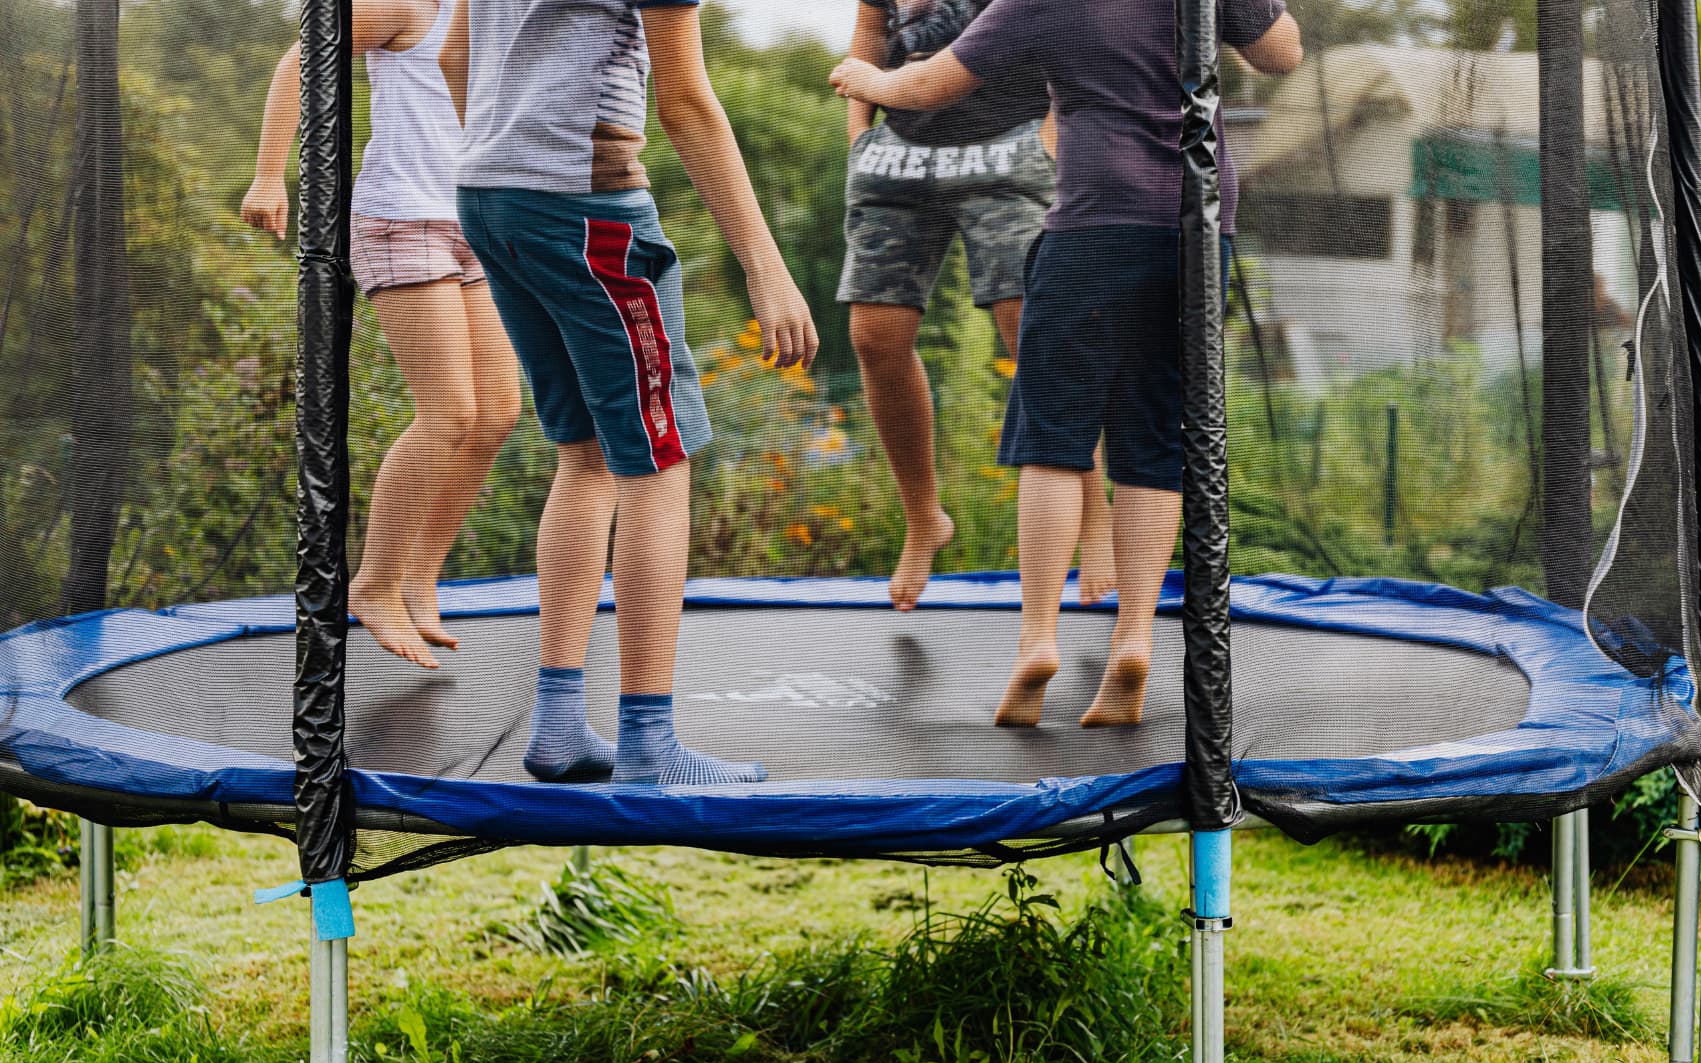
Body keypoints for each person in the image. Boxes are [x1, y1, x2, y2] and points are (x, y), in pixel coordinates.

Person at [831, 0, 1300, 728]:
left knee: (1051, 438)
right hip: (1198, 227)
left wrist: (865, 76)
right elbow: (1282, 54)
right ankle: (1134, 637)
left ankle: (1037, 638)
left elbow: (928, 86)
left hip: (1092, 224)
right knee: (1154, 441)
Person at [441, 0, 819, 784]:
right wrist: (764, 265)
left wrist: (508, 151)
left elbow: (453, 58)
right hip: (585, 209)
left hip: (488, 193)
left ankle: (556, 726)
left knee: (582, 453)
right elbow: (684, 101)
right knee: (658, 455)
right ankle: (648, 741)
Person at [242, 0, 523, 670]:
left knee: (497, 414)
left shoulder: (493, 10)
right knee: (449, 412)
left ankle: (420, 576)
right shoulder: (401, 2)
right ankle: (372, 582)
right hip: (403, 222)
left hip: (474, 222)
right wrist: (267, 174)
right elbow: (300, 60)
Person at [841, 0, 1116, 612]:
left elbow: (1061, 34)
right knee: (874, 337)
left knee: (1034, 332)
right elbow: (864, 49)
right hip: (899, 155)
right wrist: (859, 139)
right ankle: (924, 519)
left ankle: (1096, 518)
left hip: (1008, 148)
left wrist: (1048, 137)